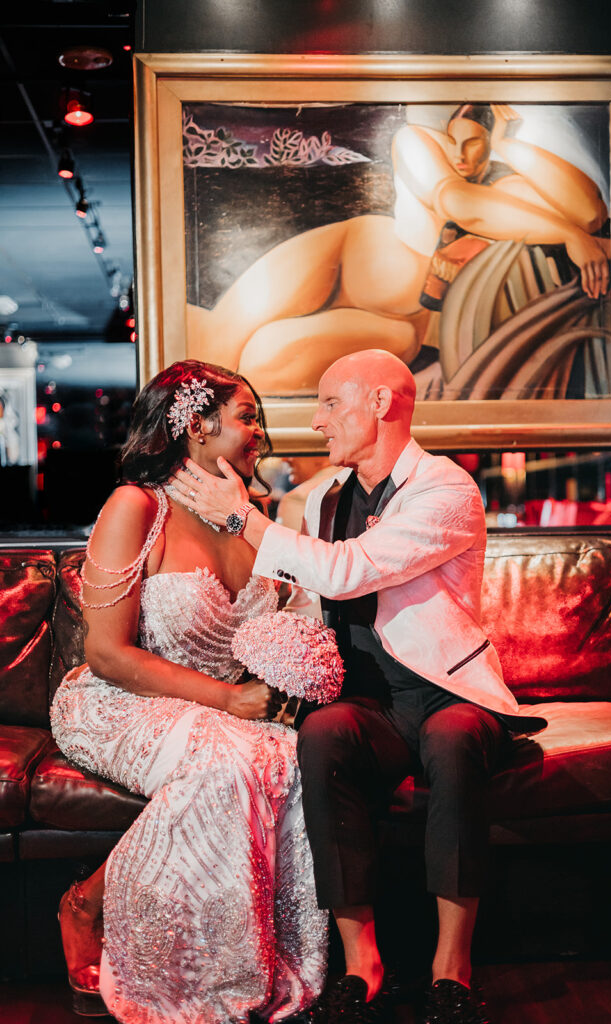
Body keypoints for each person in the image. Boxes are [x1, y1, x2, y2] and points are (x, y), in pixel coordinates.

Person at [170, 349, 546, 1024]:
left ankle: (450, 971)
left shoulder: (444, 488)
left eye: (329, 403)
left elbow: (349, 571)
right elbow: (304, 586)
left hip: (445, 691)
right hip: (366, 697)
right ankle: (360, 963)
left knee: (456, 740)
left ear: (379, 403)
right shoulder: (321, 497)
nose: (316, 422)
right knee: (322, 734)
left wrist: (245, 520)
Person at [51, 360, 327, 1024]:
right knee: (227, 763)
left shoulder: (250, 520)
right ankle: (88, 903)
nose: (260, 431)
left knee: (288, 758)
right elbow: (107, 654)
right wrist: (230, 701)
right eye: (248, 416)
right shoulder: (136, 506)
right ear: (196, 427)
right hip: (118, 701)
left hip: (221, 706)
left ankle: (243, 960)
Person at [190, 103, 610, 394]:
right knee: (218, 343)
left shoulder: (508, 192)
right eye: (454, 140)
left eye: (473, 143)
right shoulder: (417, 144)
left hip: (403, 326)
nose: (461, 154)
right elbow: (459, 204)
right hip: (339, 258)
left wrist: (502, 142)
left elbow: (589, 210)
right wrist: (572, 237)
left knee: (255, 367)